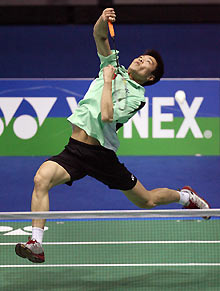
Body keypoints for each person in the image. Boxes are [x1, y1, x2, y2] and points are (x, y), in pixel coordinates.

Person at [15, 8, 210, 264]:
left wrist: (107, 81)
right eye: (140, 57)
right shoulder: (112, 65)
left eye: (147, 63)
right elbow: (99, 36)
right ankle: (37, 243)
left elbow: (107, 116)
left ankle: (186, 196)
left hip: (100, 155)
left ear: (150, 78)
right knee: (41, 178)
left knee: (147, 200)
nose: (140, 60)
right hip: (74, 150)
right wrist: (103, 19)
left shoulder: (136, 98)